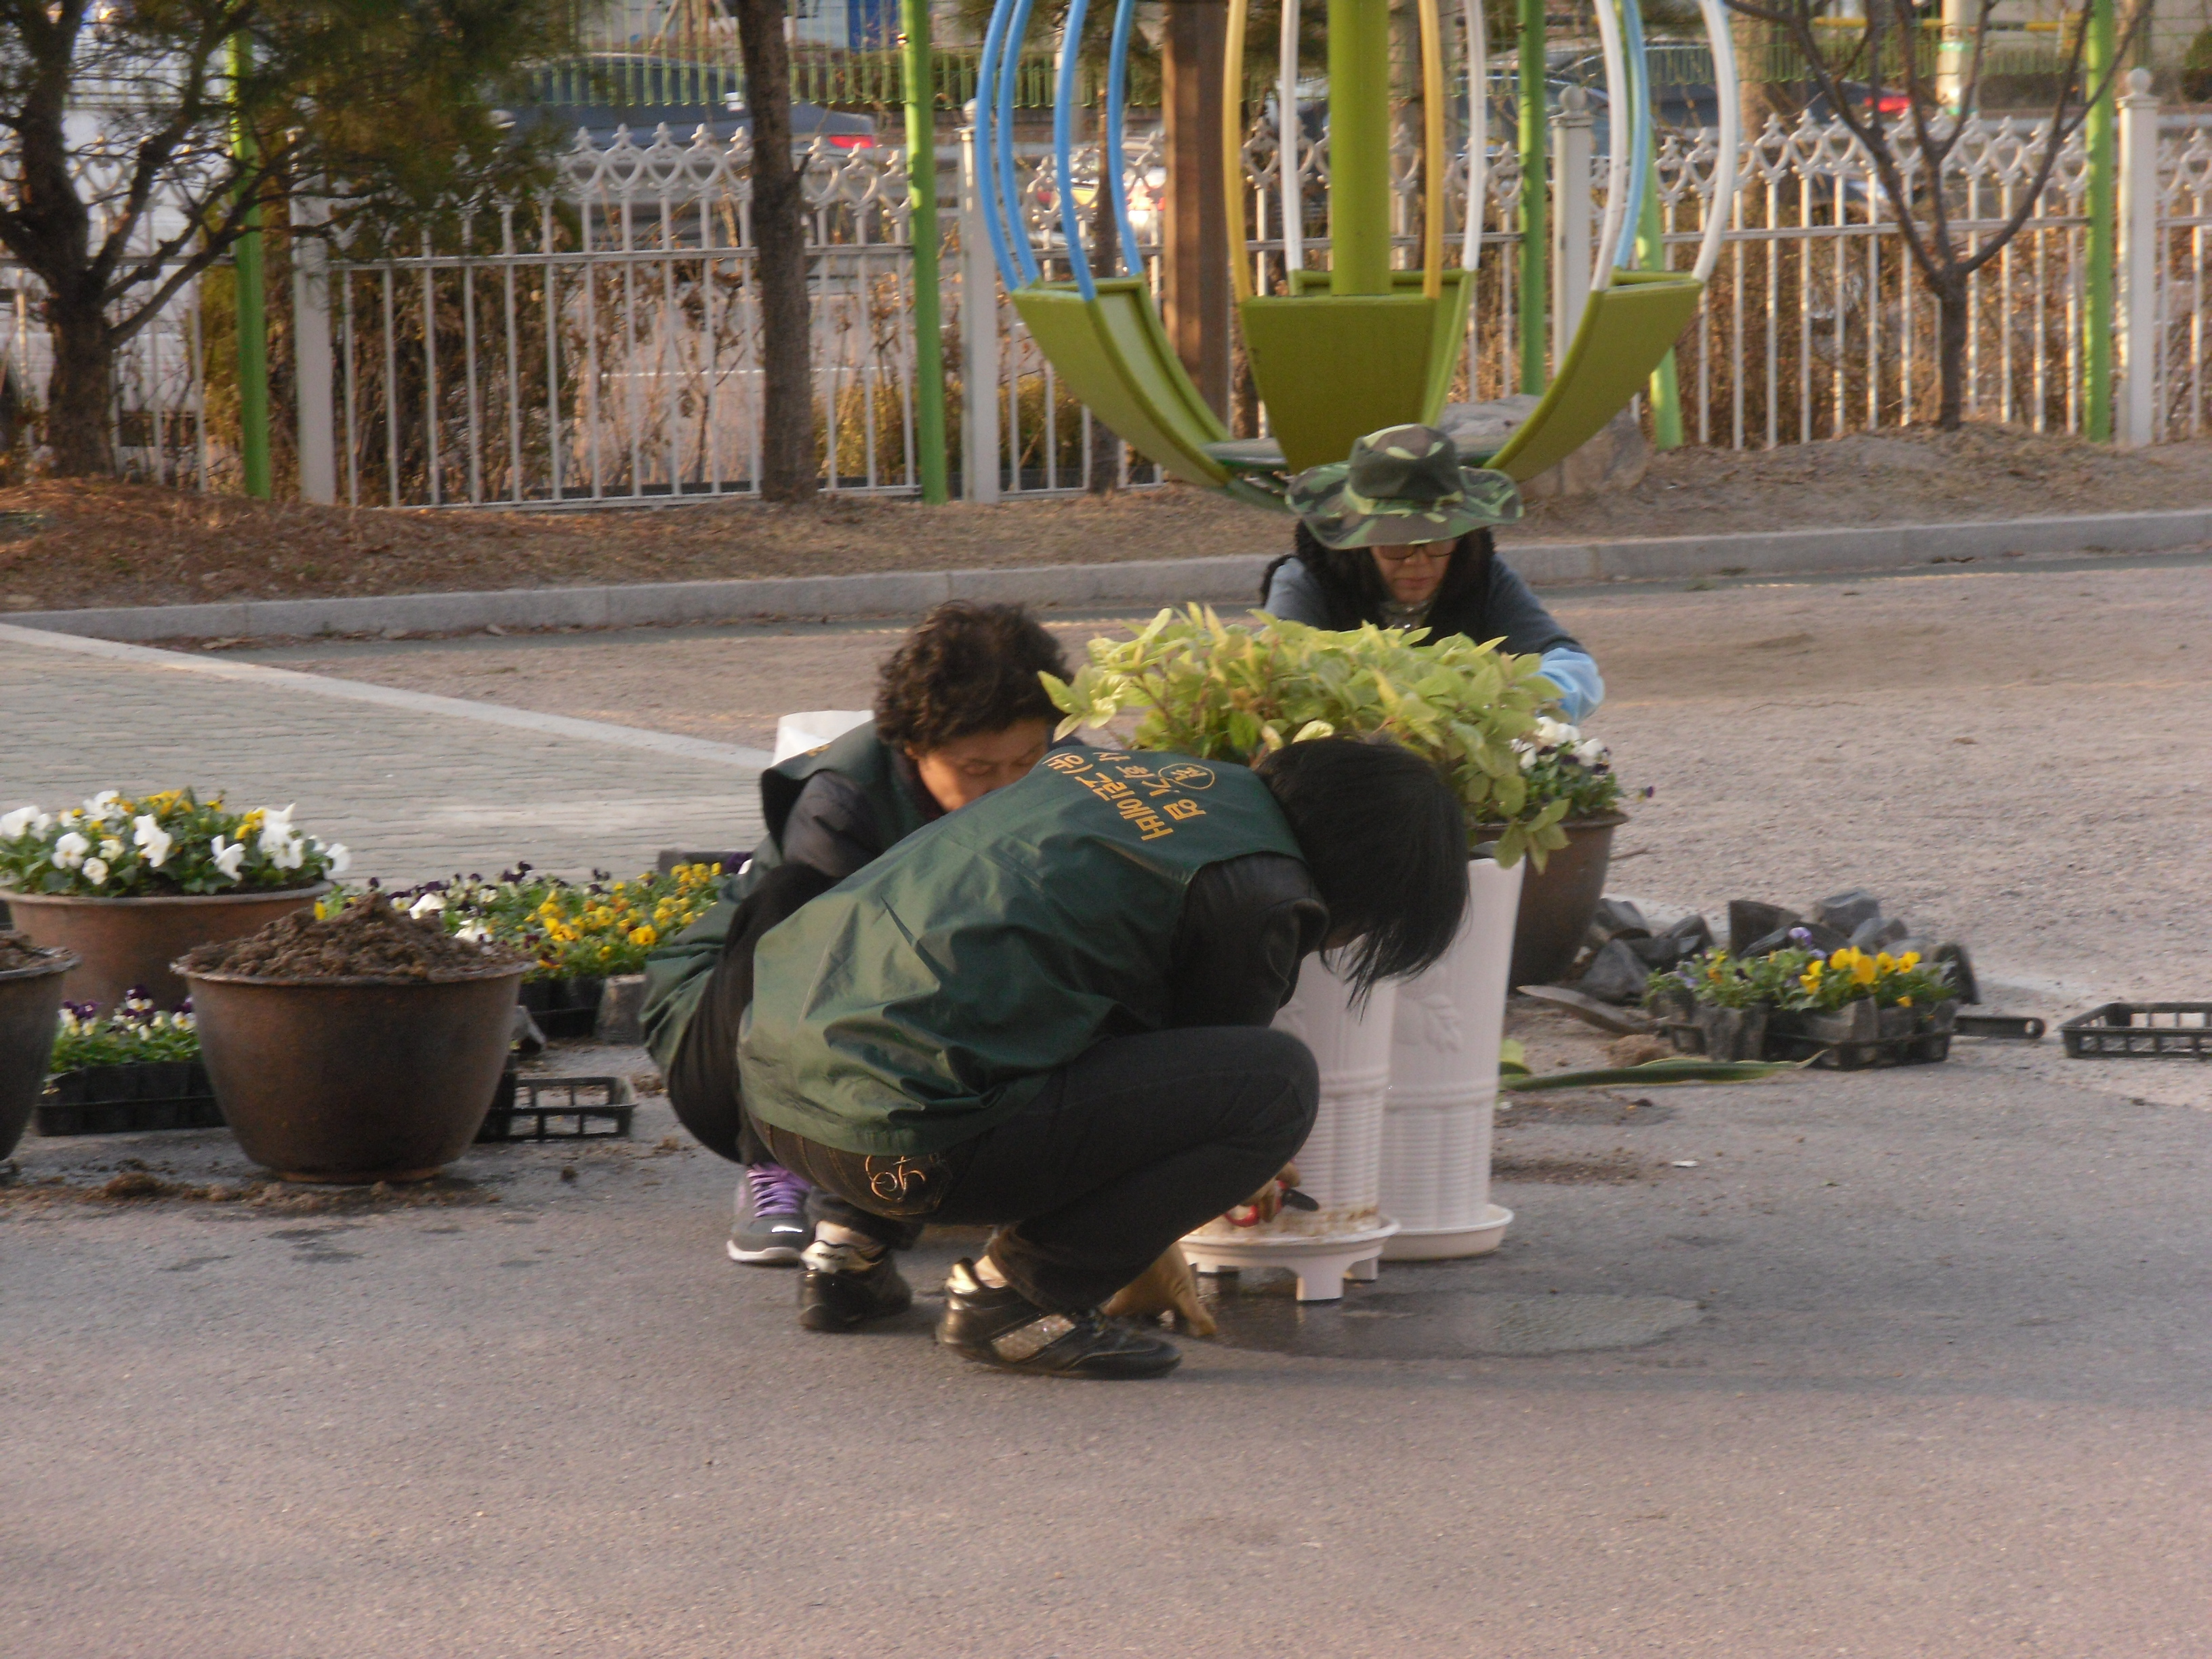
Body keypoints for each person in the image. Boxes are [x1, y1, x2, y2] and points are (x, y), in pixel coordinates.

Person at [737, 736, 1471, 1379]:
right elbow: (1197, 1090)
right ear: (1369, 884)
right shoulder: (1262, 893)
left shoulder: (1120, 775)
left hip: (777, 1099)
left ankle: (846, 1258)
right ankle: (1016, 1300)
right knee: (1277, 1087)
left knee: (939, 1011)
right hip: (913, 1151)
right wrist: (1150, 1234)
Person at [640, 602, 1071, 1266]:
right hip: (732, 1040)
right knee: (795, 904)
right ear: (916, 746)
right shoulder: (841, 800)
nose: (1008, 787)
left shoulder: (1067, 779)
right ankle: (777, 1173)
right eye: (978, 771)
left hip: (898, 1049)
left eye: (1026, 760)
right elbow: (832, 989)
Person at [1261, 423, 1605, 722]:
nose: (1418, 563)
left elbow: (1573, 665)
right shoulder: (1305, 582)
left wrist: (1518, 707)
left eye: (1438, 542)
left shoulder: (1481, 575)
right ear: (1359, 544)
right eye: (1395, 545)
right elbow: (1276, 684)